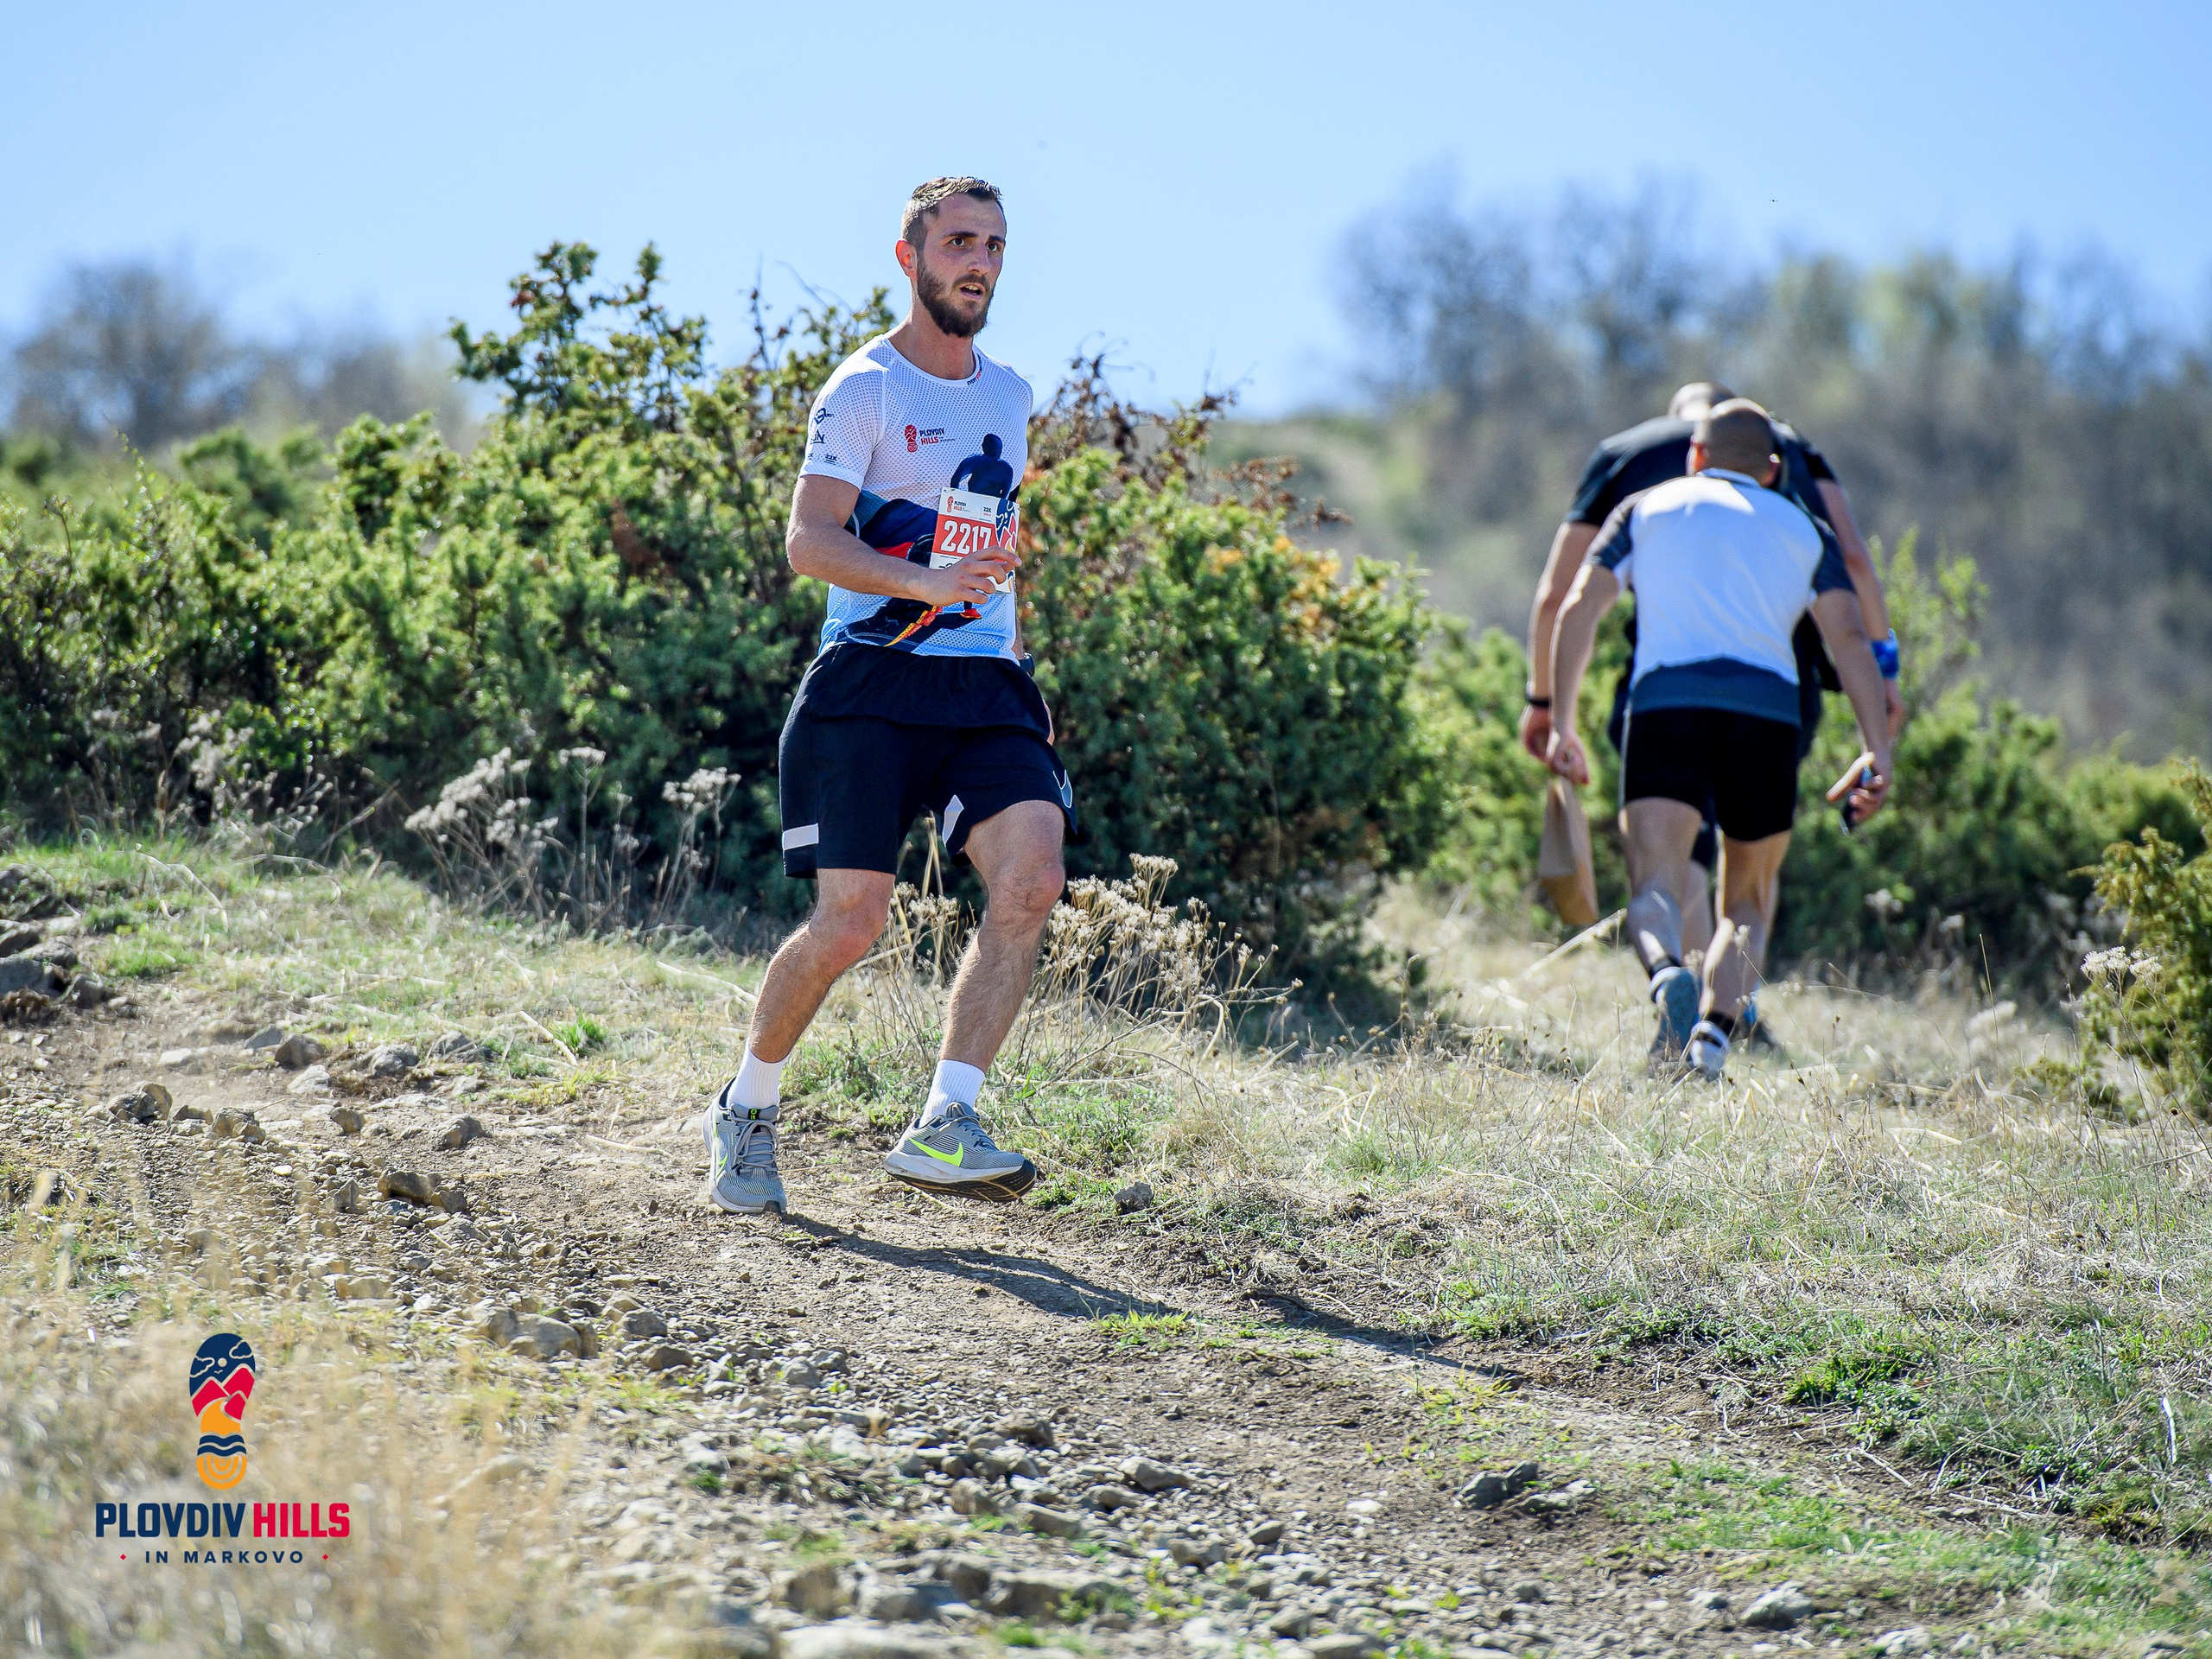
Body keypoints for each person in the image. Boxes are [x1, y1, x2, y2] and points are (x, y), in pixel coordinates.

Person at [701, 176, 1076, 1216]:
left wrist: (1010, 643)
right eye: (958, 243)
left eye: (994, 246)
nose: (979, 263)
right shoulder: (863, 389)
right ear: (909, 258)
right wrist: (923, 583)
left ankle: (947, 1121)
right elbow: (808, 540)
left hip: (984, 684)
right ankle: (747, 1105)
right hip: (868, 680)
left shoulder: (1009, 394)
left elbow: (984, 545)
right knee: (851, 922)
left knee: (1032, 879)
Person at [1519, 381, 1902, 1031]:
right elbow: (1847, 640)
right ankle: (1716, 1035)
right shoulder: (1806, 530)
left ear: (1695, 454)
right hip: (1770, 716)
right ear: (1773, 470)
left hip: (1666, 705)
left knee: (1656, 883)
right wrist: (1877, 748)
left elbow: (1578, 605)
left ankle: (1667, 971)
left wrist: (1561, 721)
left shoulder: (1645, 507)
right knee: (1746, 900)